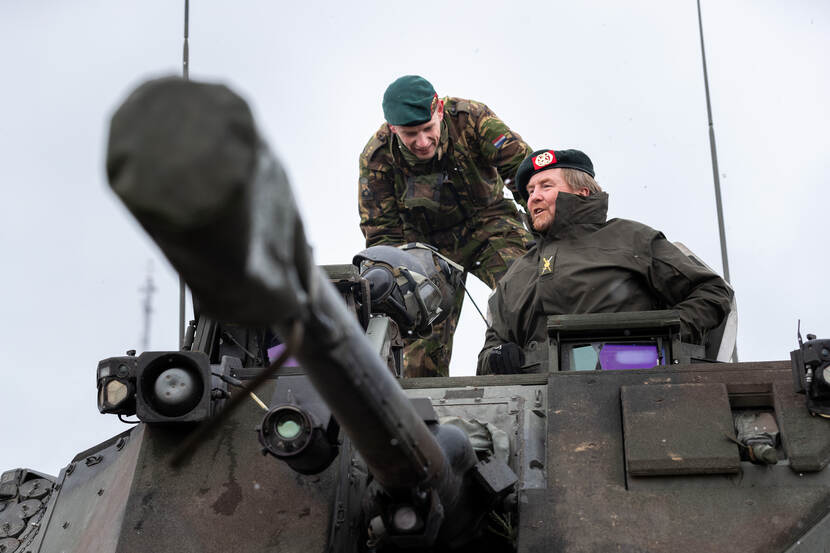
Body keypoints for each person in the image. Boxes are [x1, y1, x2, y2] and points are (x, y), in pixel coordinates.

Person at [477, 148, 734, 374]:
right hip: (537, 405)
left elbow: (712, 292)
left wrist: (665, 335)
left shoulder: (631, 239)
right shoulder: (516, 274)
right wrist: (497, 357)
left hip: (633, 388)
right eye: (531, 191)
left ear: (582, 192)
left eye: (546, 186)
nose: (534, 197)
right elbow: (490, 349)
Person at [359, 75, 533, 377]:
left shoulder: (473, 118)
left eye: (428, 129)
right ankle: (420, 418)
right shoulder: (377, 158)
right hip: (424, 249)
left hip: (489, 223)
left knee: (526, 292)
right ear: (392, 128)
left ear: (439, 109)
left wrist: (546, 231)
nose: (423, 142)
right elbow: (381, 236)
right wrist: (399, 287)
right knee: (416, 342)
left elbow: (524, 175)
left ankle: (527, 371)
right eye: (410, 134)